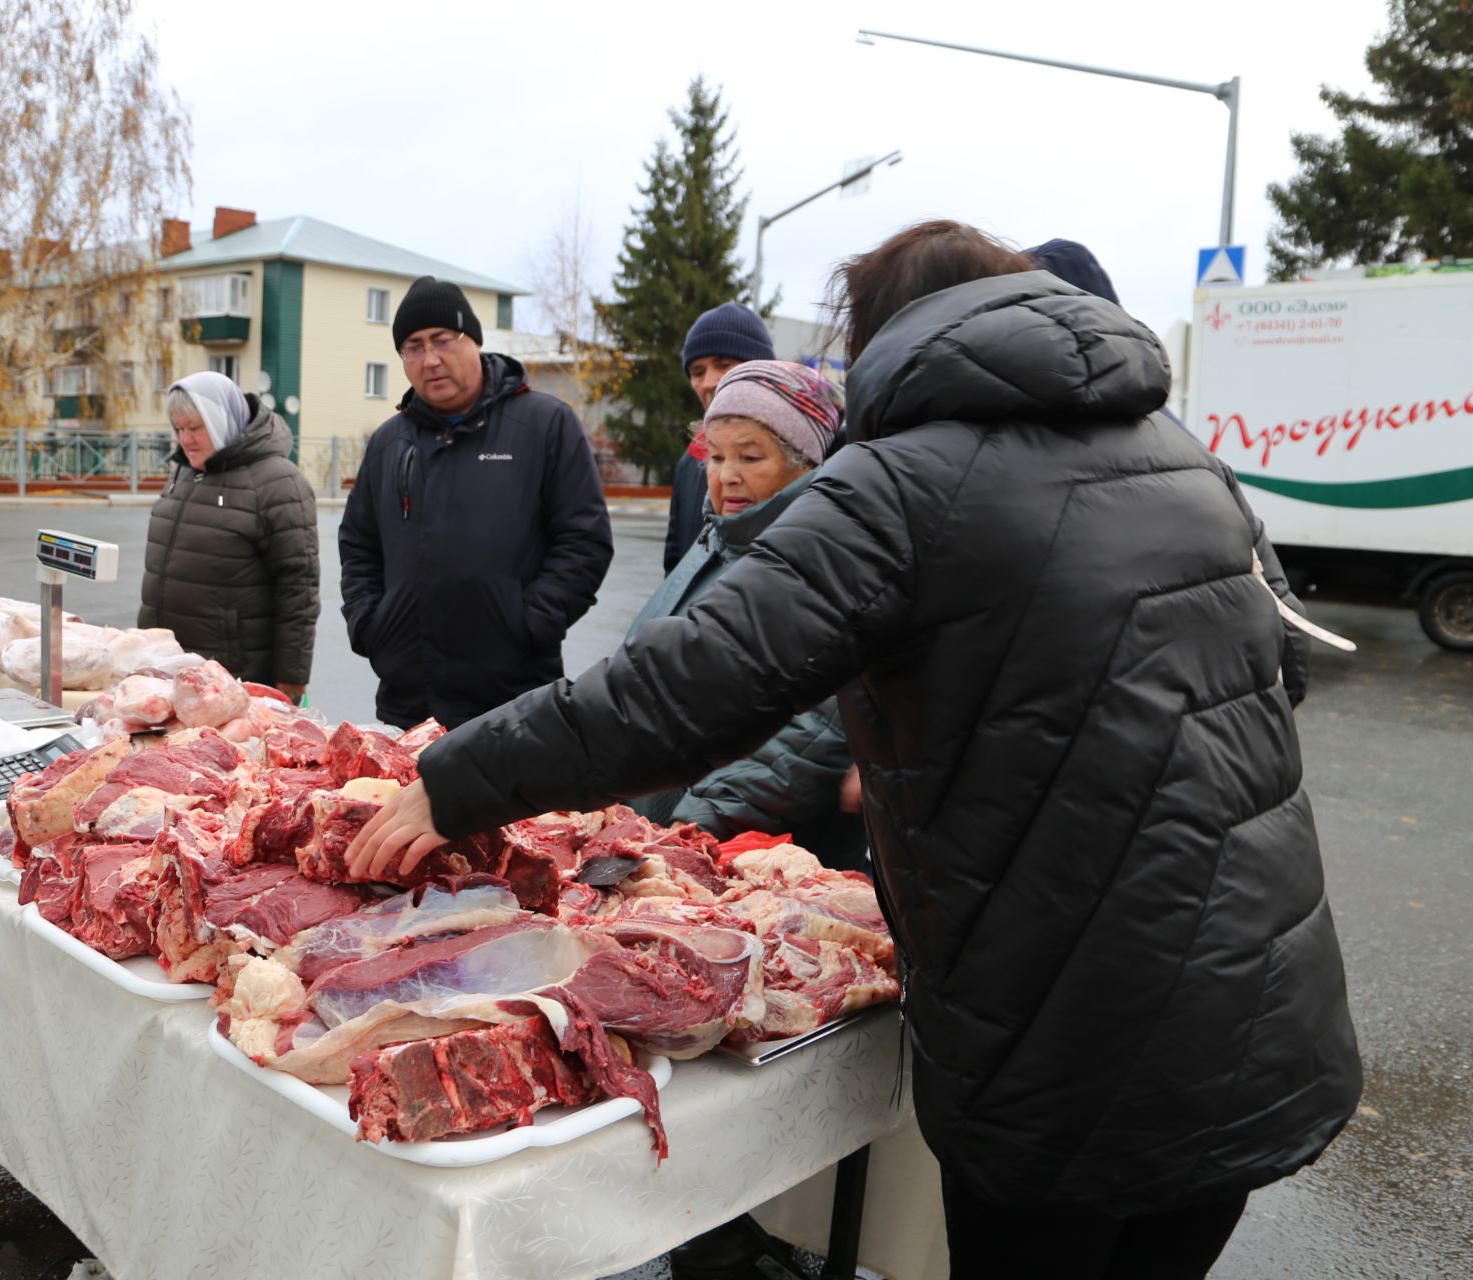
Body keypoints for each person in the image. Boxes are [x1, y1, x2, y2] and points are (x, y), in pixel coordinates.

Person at [350, 221, 1361, 1279]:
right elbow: (1284, 668)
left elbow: (691, 683)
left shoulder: (904, 481)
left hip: (1069, 1045)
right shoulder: (1185, 453)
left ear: (890, 340)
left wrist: (457, 779)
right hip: (1262, 1016)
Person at [339, 274, 613, 729]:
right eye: (413, 347)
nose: (430, 360)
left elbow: (584, 543)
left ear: (474, 341)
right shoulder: (389, 443)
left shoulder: (544, 425)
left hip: (513, 700)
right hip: (410, 702)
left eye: (442, 341)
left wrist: (528, 623)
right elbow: (359, 546)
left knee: (516, 804)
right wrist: (371, 624)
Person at [630, 359, 868, 871]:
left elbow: (813, 734)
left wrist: (687, 828)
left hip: (752, 855)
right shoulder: (717, 538)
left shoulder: (826, 552)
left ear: (807, 465)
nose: (727, 475)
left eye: (750, 456)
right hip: (660, 833)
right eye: (715, 457)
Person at [137, 371, 318, 698]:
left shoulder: (278, 483)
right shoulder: (185, 474)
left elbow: (298, 592)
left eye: (195, 428)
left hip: (232, 677)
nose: (185, 439)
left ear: (223, 421)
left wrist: (290, 683)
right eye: (179, 429)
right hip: (169, 668)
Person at [663, 301, 777, 573]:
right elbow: (674, 568)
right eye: (697, 372)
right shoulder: (689, 462)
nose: (709, 382)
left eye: (723, 365)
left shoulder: (800, 455)